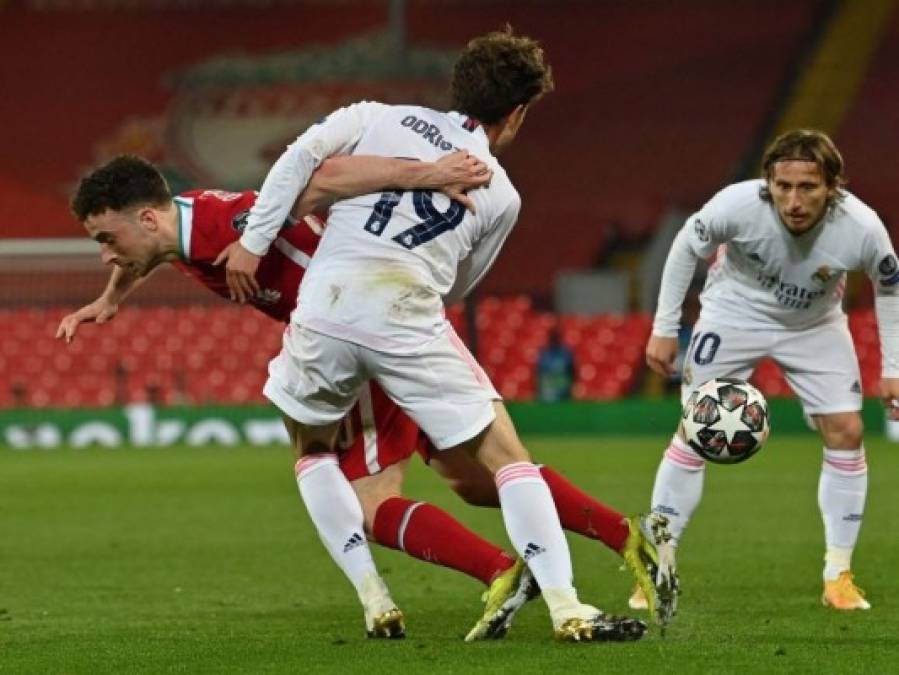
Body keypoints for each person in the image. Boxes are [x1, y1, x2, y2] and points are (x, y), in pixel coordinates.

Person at [61, 154, 671, 641]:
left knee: (371, 503)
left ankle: (501, 574)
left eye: (105, 239)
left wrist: (426, 177)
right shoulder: (180, 224)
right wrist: (113, 295)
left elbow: (308, 189)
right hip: (377, 327)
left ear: (146, 219)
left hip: (351, 339)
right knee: (475, 480)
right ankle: (629, 537)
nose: (106, 254)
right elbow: (148, 251)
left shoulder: (235, 222)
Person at [223, 26, 677, 641]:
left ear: (455, 86)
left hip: (324, 306)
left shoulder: (374, 116)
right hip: (406, 310)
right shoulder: (501, 192)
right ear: (516, 114)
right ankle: (569, 608)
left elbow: (298, 160)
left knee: (312, 452)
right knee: (507, 462)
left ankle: (374, 597)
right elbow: (457, 286)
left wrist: (252, 244)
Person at [637, 128, 899, 612]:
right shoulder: (736, 205)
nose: (794, 200)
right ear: (768, 183)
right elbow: (683, 248)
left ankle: (838, 575)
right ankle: (658, 564)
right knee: (696, 429)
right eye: (783, 187)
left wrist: (895, 367)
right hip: (733, 314)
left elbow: (890, 285)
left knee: (847, 430)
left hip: (815, 325)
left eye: (808, 187)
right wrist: (665, 326)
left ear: (834, 187)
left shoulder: (862, 226)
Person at [536, 325, 575, 401]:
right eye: (553, 337)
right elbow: (539, 372)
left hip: (564, 390)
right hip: (548, 390)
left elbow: (572, 370)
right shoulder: (545, 353)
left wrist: (572, 386)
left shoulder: (565, 353)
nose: (554, 339)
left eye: (556, 337)